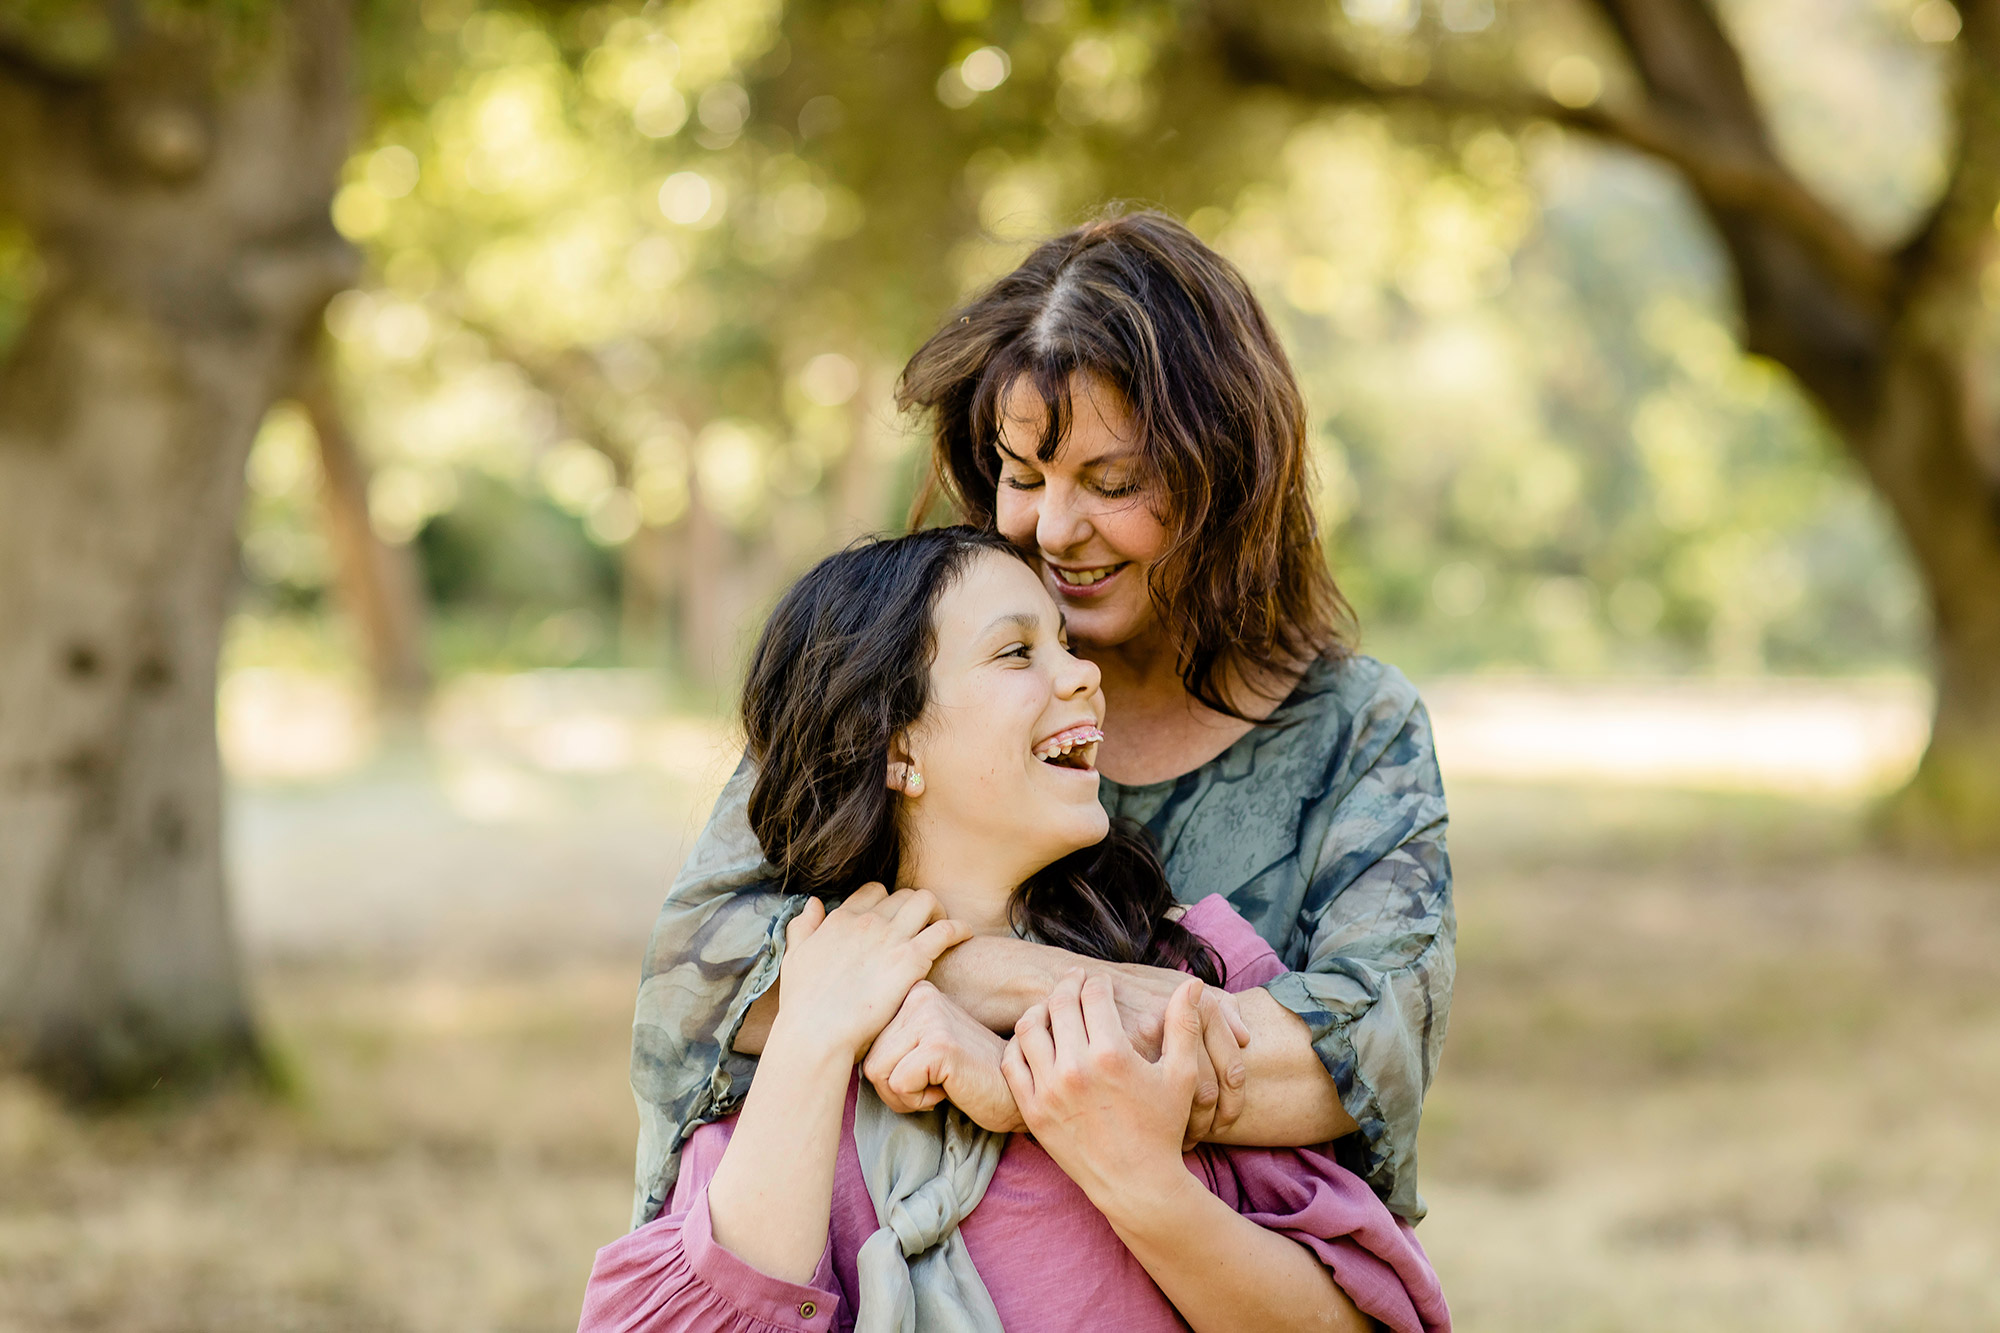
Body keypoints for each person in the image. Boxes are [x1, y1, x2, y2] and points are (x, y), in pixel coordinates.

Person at [629, 209, 1452, 1232]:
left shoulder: (1351, 730)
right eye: (1022, 477)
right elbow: (699, 971)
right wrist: (1140, 1024)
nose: (1052, 531)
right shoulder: (914, 650)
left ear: (1228, 479)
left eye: (1112, 484)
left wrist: (1003, 990)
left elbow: (1356, 1058)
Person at [581, 529, 1448, 1332]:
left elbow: (1369, 1315)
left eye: (1067, 646)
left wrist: (1121, 1163)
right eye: (1017, 651)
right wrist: (813, 1039)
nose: (1083, 675)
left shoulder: (1196, 971)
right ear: (896, 746)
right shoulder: (781, 1020)